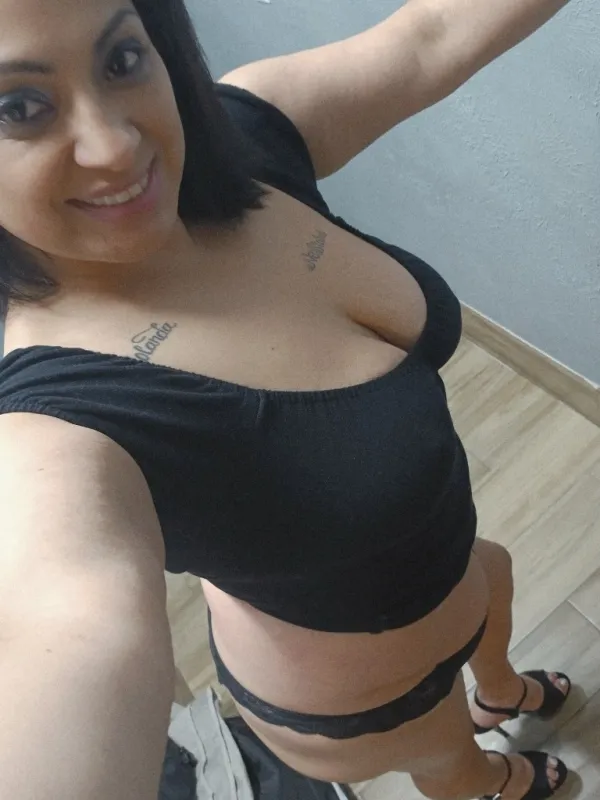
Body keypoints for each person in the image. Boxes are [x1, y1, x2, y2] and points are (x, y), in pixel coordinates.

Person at [0, 0, 575, 797]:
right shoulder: (50, 428)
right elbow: (66, 635)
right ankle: (498, 781)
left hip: (455, 567)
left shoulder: (246, 137)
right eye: (18, 108)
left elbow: (430, 35)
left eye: (121, 60)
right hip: (369, 702)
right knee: (455, 766)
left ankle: (501, 693)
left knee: (495, 577)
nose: (116, 144)